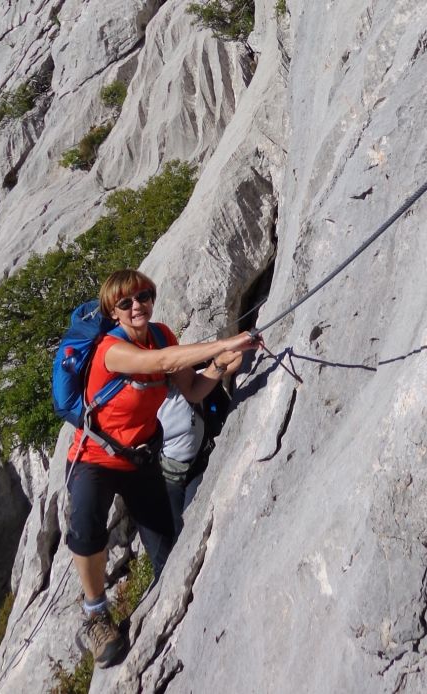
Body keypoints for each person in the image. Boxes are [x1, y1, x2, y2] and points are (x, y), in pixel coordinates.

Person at [66, 269, 258, 667]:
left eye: (144, 296)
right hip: (95, 459)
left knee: (167, 549)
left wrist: (220, 366)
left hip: (139, 459)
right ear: (113, 311)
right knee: (87, 529)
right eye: (126, 302)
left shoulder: (162, 334)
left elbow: (191, 391)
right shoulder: (110, 350)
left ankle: (169, 618)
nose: (137, 306)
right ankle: (96, 615)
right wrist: (223, 341)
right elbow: (164, 361)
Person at [158, 354, 240, 537]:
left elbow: (235, 361)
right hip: (168, 479)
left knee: (189, 527)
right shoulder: (151, 404)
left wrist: (212, 357)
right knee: (177, 532)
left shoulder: (192, 384)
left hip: (196, 468)